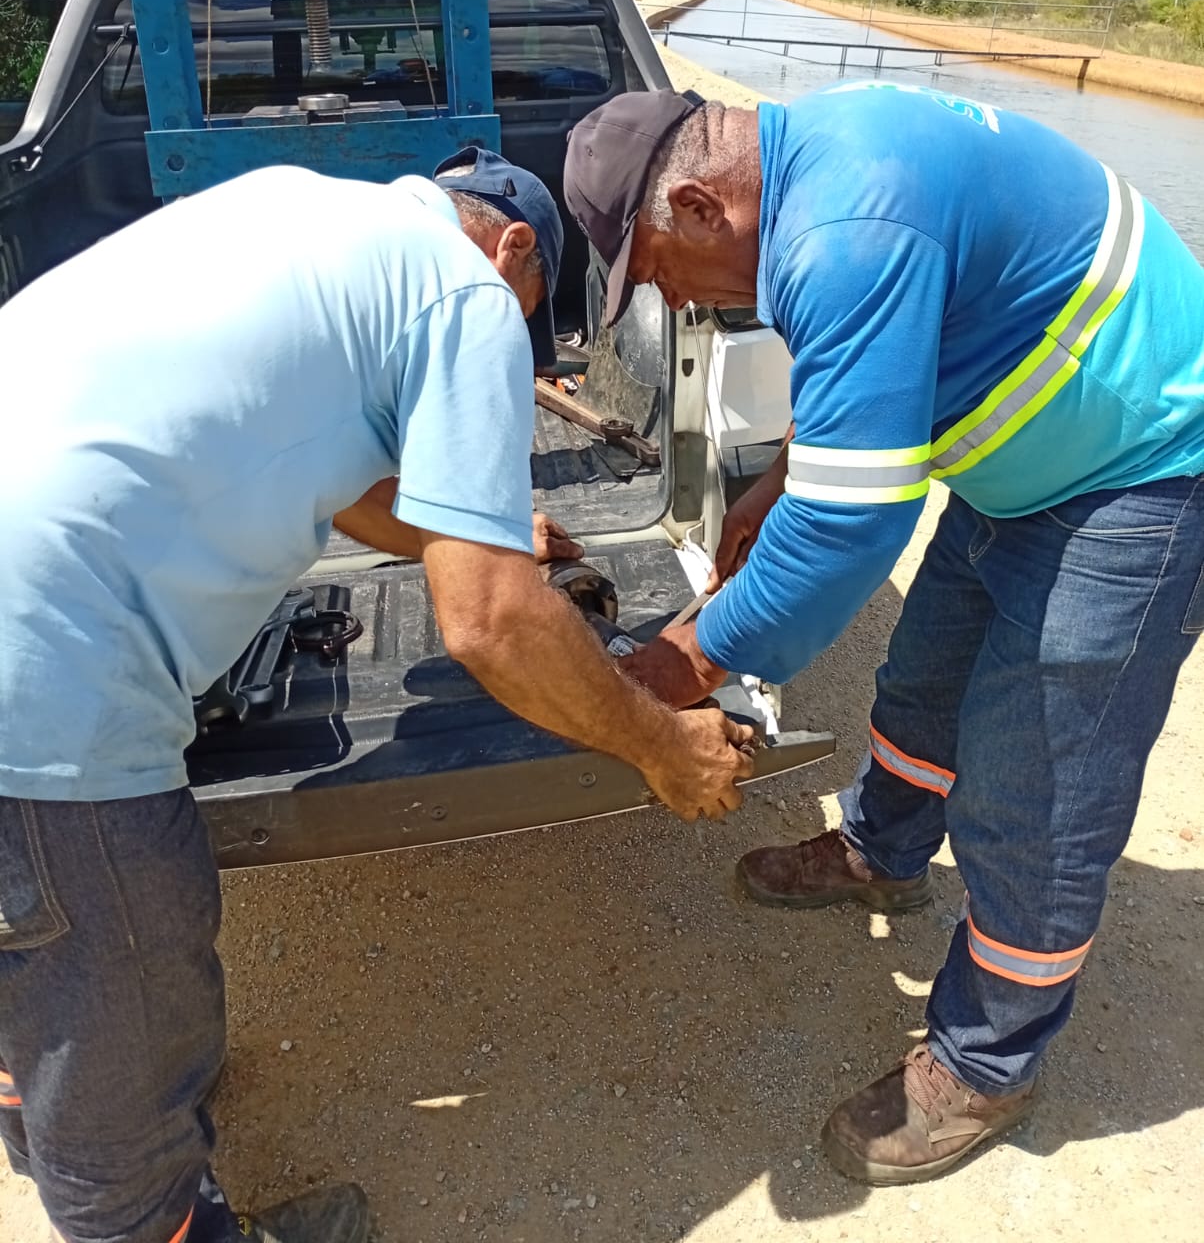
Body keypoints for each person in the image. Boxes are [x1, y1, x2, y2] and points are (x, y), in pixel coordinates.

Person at [0, 148, 753, 1243]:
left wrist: (471, 522)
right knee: (119, 962)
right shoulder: (466, 294)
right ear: (515, 250)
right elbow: (488, 622)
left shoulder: (293, 209)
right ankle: (149, 1204)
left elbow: (346, 481)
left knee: (34, 942)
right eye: (528, 310)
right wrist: (661, 748)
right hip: (39, 661)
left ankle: (34, 1111)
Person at [563, 81, 1204, 1184]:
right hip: (1018, 462)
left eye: (661, 269)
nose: (674, 299)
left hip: (1142, 468)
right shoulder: (815, 178)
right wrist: (779, 473)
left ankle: (986, 1065)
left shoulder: (846, 223)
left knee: (1033, 790)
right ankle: (880, 853)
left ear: (703, 205)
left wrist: (669, 671)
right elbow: (881, 339)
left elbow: (846, 534)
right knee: (921, 686)